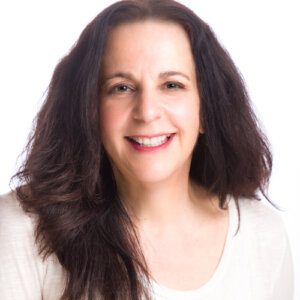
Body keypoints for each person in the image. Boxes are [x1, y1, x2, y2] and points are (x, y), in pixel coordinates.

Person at [0, 0, 294, 299]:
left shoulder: (263, 236)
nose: (147, 111)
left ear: (206, 110)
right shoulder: (21, 230)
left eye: (172, 85)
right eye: (122, 87)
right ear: (89, 109)